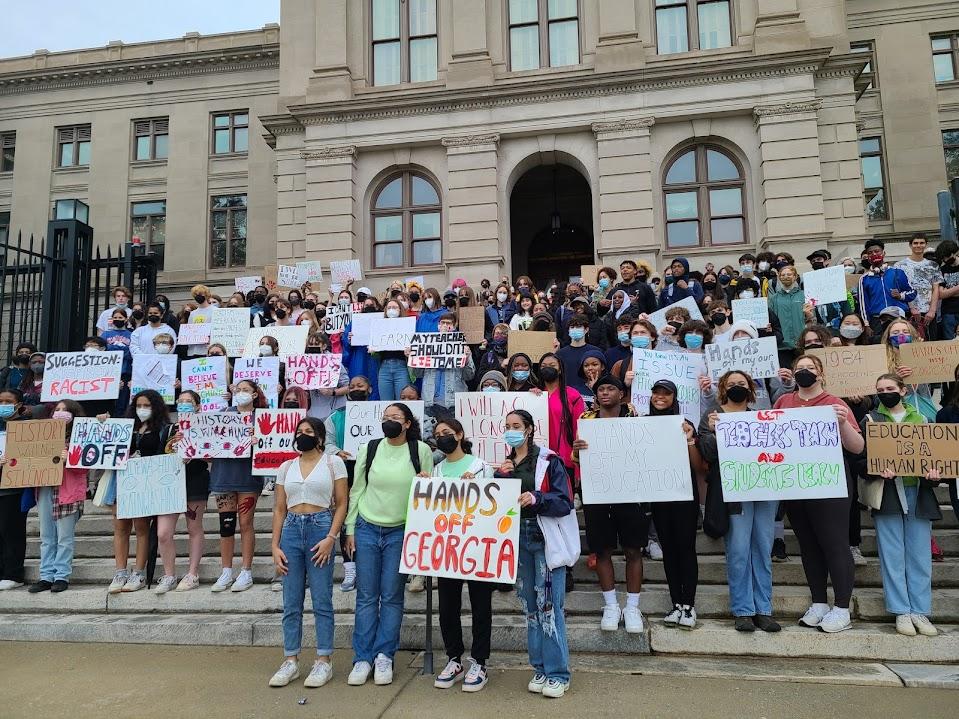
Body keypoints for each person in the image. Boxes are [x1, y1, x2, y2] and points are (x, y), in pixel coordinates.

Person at [773, 354, 864, 633]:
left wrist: (843, 423)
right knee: (808, 544)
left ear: (821, 373)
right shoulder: (783, 403)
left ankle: (841, 608)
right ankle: (819, 603)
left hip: (830, 483)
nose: (804, 372)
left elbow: (857, 447)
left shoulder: (835, 404)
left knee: (834, 542)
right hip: (796, 483)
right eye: (799, 368)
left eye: (810, 368)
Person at [345, 403, 433, 686]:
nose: (389, 422)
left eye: (395, 418)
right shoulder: (369, 449)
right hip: (368, 527)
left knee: (393, 595)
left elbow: (428, 492)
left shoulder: (421, 451)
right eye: (386, 418)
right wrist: (350, 528)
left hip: (401, 532)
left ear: (407, 423)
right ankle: (362, 657)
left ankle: (385, 655)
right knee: (367, 596)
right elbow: (357, 489)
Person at [494, 409, 574, 698]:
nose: (511, 430)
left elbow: (564, 501)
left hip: (543, 538)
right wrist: (497, 478)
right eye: (507, 426)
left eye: (516, 425)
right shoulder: (504, 465)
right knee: (530, 607)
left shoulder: (549, 460)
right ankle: (539, 668)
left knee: (549, 606)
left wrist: (537, 498)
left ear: (529, 429)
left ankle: (558, 673)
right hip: (517, 539)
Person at [857, 374, 941, 637]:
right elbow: (859, 461)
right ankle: (901, 611)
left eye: (890, 388)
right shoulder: (870, 420)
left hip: (918, 491)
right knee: (891, 553)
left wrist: (935, 473)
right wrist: (876, 469)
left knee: (919, 554)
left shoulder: (923, 420)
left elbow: (937, 455)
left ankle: (920, 610)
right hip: (888, 493)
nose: (885, 392)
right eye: (880, 389)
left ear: (903, 390)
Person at [268, 417, 349, 688]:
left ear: (320, 437)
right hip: (291, 528)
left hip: (320, 526)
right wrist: (274, 545)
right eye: (299, 432)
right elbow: (279, 508)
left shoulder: (332, 462)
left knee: (322, 597)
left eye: (309, 432)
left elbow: (341, 503)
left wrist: (331, 537)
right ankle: (290, 659)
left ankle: (323, 660)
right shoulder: (286, 466)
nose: (303, 436)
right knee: (291, 600)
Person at [699, 371, 781, 633]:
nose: (737, 388)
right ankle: (743, 610)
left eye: (741, 384)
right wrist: (713, 432)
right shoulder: (713, 416)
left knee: (762, 547)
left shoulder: (762, 417)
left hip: (765, 489)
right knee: (738, 550)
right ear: (723, 388)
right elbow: (707, 453)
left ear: (750, 389)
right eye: (732, 384)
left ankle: (764, 609)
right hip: (734, 491)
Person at [571, 376, 647, 633]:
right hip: (597, 494)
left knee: (633, 550)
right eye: (600, 389)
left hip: (630, 493)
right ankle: (611, 604)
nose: (605, 393)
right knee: (602, 550)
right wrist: (577, 450)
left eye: (610, 388)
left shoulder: (634, 419)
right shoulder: (587, 420)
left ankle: (633, 606)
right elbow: (577, 459)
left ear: (621, 393)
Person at [431, 418, 495, 693]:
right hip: (447, 550)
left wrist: (475, 487)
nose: (442, 437)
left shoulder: (480, 467)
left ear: (459, 435)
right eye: (437, 435)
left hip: (476, 547)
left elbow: (492, 506)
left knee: (481, 606)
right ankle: (454, 658)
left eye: (447, 433)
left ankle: (479, 661)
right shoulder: (436, 470)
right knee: (448, 606)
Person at [646, 380, 706, 629]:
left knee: (685, 549)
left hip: (684, 495)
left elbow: (699, 466)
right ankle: (676, 604)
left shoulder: (684, 424)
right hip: (660, 496)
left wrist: (690, 439)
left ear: (674, 397)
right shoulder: (643, 425)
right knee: (669, 551)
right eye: (656, 393)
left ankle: (689, 605)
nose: (660, 397)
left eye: (666, 394)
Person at [107, 390, 174, 593]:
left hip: (147, 482)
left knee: (142, 527)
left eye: (147, 406)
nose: (142, 410)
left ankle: (139, 572)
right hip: (123, 480)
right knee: (120, 526)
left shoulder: (163, 429)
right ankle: (120, 572)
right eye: (138, 405)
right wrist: (105, 423)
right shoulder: (125, 427)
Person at [208, 380, 265, 593]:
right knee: (226, 524)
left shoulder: (261, 418)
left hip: (247, 477)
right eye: (238, 389)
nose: (241, 393)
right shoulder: (221, 414)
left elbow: (270, 446)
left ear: (254, 394)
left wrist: (259, 441)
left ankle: (246, 570)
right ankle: (226, 571)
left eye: (246, 390)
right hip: (223, 475)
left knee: (246, 522)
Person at [25, 401, 87, 593]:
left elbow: (88, 464)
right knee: (47, 536)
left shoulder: (81, 437)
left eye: (65, 410)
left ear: (74, 414)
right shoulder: (42, 437)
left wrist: (71, 457)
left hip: (68, 491)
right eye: (57, 410)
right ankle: (46, 576)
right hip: (45, 489)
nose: (60, 413)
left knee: (64, 537)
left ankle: (61, 576)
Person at [157, 391, 211, 593]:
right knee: (163, 533)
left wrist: (194, 450)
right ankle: (169, 574)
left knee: (193, 527)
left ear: (198, 406)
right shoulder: (168, 428)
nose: (184, 404)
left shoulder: (206, 426)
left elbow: (213, 456)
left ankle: (192, 573)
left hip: (195, 479)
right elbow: (159, 455)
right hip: (170, 483)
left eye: (189, 402)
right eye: (180, 401)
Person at [324, 375, 373, 593]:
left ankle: (367, 568)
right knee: (345, 520)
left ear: (370, 389)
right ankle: (350, 566)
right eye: (352, 386)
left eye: (360, 385)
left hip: (374, 472)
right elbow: (326, 443)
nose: (355, 389)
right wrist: (337, 452)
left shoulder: (381, 413)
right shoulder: (335, 417)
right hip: (345, 470)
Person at [411, 313, 475, 412]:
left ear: (454, 327)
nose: (445, 326)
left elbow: (469, 376)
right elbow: (417, 374)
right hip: (430, 401)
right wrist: (414, 357)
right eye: (442, 323)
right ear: (438, 325)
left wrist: (466, 359)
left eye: (448, 323)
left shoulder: (461, 347)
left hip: (453, 403)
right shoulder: (426, 346)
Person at [0, 388, 30, 590]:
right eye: (0, 401)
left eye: (8, 401)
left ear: (18, 404)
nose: (3, 405)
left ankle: (14, 572)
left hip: (15, 488)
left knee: (11, 530)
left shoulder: (27, 428)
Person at [859, 239, 916, 334]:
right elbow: (863, 304)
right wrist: (866, 324)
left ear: (883, 253)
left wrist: (900, 296)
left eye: (877, 251)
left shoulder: (897, 272)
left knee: (901, 345)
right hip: (877, 320)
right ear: (867, 257)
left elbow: (913, 292)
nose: (874, 254)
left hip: (899, 318)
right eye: (870, 253)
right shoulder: (864, 279)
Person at [895, 233, 942, 340]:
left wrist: (932, 310)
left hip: (928, 312)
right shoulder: (900, 265)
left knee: (931, 342)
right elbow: (901, 289)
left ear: (926, 245)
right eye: (915, 243)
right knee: (910, 342)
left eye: (921, 243)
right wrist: (912, 307)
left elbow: (935, 289)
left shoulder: (933, 265)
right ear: (910, 245)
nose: (918, 245)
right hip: (908, 311)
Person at [376, 299, 412, 401]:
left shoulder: (407, 325)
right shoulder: (379, 326)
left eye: (395, 307)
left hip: (401, 367)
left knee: (403, 401)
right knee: (385, 402)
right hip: (384, 368)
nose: (391, 310)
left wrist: (410, 351)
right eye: (389, 308)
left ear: (400, 310)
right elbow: (375, 353)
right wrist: (373, 349)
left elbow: (415, 344)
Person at [767, 264, 806, 356]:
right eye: (783, 275)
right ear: (779, 278)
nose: (786, 277)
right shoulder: (774, 298)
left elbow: (811, 318)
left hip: (801, 342)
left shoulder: (804, 295)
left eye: (789, 274)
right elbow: (771, 319)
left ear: (795, 276)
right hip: (782, 345)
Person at [555, 315, 602, 379]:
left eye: (578, 327)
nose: (575, 329)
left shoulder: (595, 352)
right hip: (567, 388)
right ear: (568, 330)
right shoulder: (560, 353)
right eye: (572, 327)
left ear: (586, 329)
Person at [935, 240, 959, 340]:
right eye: (943, 258)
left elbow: (945, 292)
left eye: (947, 256)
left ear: (955, 252)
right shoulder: (942, 270)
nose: (945, 259)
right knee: (949, 344)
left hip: (950, 310)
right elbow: (941, 294)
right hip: (948, 312)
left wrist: (949, 291)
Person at [185, 284, 215, 356]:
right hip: (194, 350)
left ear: (206, 295)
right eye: (196, 295)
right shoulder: (193, 314)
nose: (198, 296)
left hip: (208, 349)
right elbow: (189, 331)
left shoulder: (215, 311)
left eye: (200, 294)